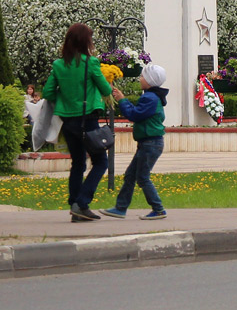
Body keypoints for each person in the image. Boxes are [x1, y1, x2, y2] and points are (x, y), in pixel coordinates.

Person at [42, 23, 113, 222]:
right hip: (87, 119)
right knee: (101, 162)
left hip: (67, 121)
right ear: (85, 42)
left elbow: (48, 92)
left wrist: (66, 96)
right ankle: (82, 203)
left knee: (78, 163)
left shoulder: (58, 64)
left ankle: (74, 204)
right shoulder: (90, 63)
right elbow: (106, 90)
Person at [100, 64, 168, 220]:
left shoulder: (149, 98)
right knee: (130, 175)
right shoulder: (152, 96)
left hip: (151, 143)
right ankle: (120, 208)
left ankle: (158, 209)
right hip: (148, 143)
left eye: (143, 76)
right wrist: (121, 98)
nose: (140, 79)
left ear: (150, 81)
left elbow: (134, 115)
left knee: (142, 177)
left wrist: (123, 101)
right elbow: (138, 112)